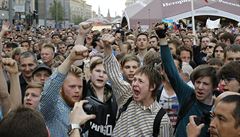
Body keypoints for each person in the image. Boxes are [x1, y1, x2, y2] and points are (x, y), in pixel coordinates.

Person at [101, 34, 173, 137]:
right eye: (134, 79)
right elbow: (114, 74)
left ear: (152, 87)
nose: (134, 83)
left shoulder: (161, 119)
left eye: (140, 81)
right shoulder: (127, 96)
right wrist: (107, 47)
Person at [157, 23, 217, 137]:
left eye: (205, 84)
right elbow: (171, 71)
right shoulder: (188, 95)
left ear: (214, 87)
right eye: (198, 82)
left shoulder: (218, 109)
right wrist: (162, 39)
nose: (199, 87)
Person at [39, 23, 91, 137]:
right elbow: (49, 91)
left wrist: (81, 35)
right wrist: (70, 59)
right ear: (60, 88)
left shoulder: (83, 109)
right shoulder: (51, 109)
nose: (77, 90)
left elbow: (78, 62)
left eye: (80, 87)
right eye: (72, 87)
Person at [82, 58, 117, 137]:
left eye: (105, 72)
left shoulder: (115, 96)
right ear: (91, 72)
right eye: (97, 71)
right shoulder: (82, 91)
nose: (101, 75)